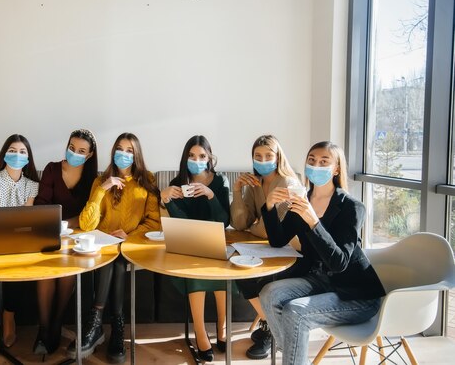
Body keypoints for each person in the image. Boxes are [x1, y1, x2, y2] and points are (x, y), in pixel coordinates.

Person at [259, 141, 385, 365]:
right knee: (269, 293)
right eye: (312, 161)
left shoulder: (352, 208)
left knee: (295, 312)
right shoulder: (301, 201)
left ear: (336, 169)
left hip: (357, 294)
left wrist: (314, 222)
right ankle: (294, 358)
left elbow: (339, 263)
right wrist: (268, 206)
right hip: (317, 280)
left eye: (324, 162)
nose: (316, 165)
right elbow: (278, 241)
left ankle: (292, 360)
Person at [67, 132, 160, 363]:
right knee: (111, 259)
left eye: (129, 150)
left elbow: (153, 222)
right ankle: (104, 325)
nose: (124, 154)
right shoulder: (100, 181)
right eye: (120, 149)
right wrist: (102, 190)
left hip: (130, 244)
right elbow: (86, 223)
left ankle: (105, 324)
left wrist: (128, 235)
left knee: (117, 262)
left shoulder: (147, 180)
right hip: (102, 243)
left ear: (136, 155)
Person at [230, 134, 302, 359]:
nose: (263, 160)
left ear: (278, 157)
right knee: (237, 267)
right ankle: (269, 323)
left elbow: (266, 231)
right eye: (257, 156)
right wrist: (237, 191)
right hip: (269, 247)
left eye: (268, 156)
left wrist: (254, 228)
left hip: (292, 251)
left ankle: (271, 329)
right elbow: (240, 223)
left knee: (250, 275)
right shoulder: (255, 183)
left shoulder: (287, 183)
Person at [160, 135, 231, 363]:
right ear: (185, 158)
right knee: (194, 273)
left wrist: (210, 196)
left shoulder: (220, 182)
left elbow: (223, 221)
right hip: (189, 244)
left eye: (201, 155)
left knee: (222, 269)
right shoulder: (177, 183)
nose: (196, 160)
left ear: (209, 157)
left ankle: (222, 327)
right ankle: (200, 333)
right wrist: (167, 201)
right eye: (191, 156)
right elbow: (181, 222)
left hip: (216, 241)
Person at [31, 129, 98, 355]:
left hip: (77, 236)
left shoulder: (92, 178)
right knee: (46, 272)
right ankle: (44, 329)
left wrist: (69, 225)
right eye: (72, 147)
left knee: (68, 272)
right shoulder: (52, 169)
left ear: (89, 155)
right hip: (49, 232)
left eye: (81, 151)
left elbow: (90, 214)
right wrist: (59, 224)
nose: (74, 153)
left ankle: (56, 325)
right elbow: (41, 204)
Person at [0, 134, 40, 364]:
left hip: (19, 243)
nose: (17, 155)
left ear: (28, 158)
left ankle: (9, 317)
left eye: (23, 152)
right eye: (13, 150)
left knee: (19, 262)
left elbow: (26, 220)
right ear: (4, 153)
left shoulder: (32, 186)